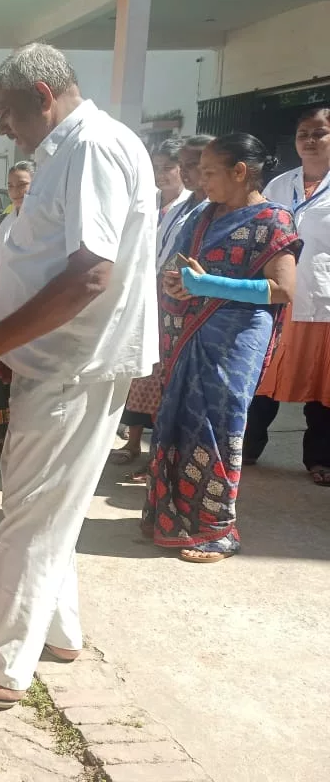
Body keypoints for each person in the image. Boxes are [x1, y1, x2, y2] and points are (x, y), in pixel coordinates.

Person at [0, 44, 158, 708]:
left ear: (43, 95)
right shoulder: (68, 152)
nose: (2, 128)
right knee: (51, 510)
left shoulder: (94, 148)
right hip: (57, 361)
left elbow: (90, 275)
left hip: (72, 365)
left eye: (6, 111)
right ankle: (58, 630)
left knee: (26, 518)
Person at [145, 134, 300, 562]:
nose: (201, 180)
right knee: (176, 420)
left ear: (240, 171)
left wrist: (207, 285)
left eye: (210, 172)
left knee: (217, 426)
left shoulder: (274, 219)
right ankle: (170, 515)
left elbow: (283, 289)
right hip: (188, 333)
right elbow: (179, 266)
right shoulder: (202, 216)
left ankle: (216, 530)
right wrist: (177, 282)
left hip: (234, 338)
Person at [245, 107, 330, 482]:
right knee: (262, 378)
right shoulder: (279, 185)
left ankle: (320, 459)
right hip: (278, 295)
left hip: (321, 301)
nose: (310, 141)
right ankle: (245, 449)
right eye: (303, 134)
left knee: (322, 386)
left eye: (320, 133)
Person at [111, 137, 192, 474]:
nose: (161, 174)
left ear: (182, 170)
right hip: (144, 291)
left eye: (167, 167)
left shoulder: (193, 206)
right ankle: (132, 441)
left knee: (164, 376)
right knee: (138, 372)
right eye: (156, 168)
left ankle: (157, 454)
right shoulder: (150, 202)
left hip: (172, 295)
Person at [0, 160, 34, 457]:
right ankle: (1, 437)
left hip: (33, 314)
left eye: (22, 185)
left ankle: (23, 442)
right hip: (1, 307)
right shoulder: (2, 223)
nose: (15, 191)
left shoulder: (44, 222)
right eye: (11, 185)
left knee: (27, 379)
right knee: (0, 377)